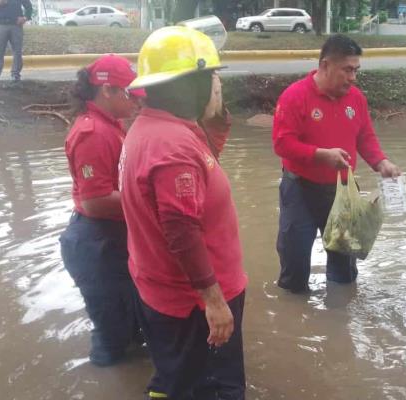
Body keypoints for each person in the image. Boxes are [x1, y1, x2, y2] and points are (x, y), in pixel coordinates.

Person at [120, 27, 247, 400]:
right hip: (194, 303)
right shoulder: (173, 147)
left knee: (176, 377)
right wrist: (214, 301)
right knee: (210, 388)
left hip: (162, 290)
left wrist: (216, 114)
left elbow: (202, 173)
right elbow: (180, 229)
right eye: (211, 77)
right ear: (190, 82)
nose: (217, 84)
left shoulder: (153, 128)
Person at [272, 34, 401, 294]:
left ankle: (340, 320)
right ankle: (295, 320)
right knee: (295, 262)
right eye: (347, 70)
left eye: (356, 70)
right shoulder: (294, 96)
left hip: (343, 191)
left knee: (344, 270)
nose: (353, 77)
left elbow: (365, 137)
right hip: (300, 191)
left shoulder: (356, 98)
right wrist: (321, 154)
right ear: (325, 66)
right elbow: (282, 144)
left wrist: (381, 162)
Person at [59, 54, 145, 367]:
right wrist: (150, 201)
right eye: (129, 92)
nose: (136, 100)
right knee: (112, 334)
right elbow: (95, 201)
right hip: (97, 243)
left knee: (130, 320)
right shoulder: (93, 132)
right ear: (107, 91)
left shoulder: (111, 126)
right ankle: (108, 380)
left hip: (109, 239)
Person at [0, 0, 32, 83]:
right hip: (1, 25)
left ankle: (15, 74)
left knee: (17, 51)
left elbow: (28, 6)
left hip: (16, 25)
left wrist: (25, 18)